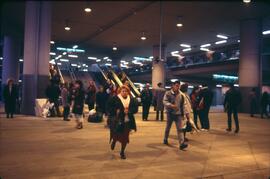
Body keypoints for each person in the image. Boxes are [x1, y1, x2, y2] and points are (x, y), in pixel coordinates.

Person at [107, 85, 138, 159]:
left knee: (125, 137)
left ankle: (122, 152)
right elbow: (108, 107)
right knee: (116, 134)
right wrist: (116, 111)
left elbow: (135, 109)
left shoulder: (132, 99)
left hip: (127, 121)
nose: (124, 92)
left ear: (128, 92)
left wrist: (129, 111)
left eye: (126, 91)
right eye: (123, 91)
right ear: (120, 91)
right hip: (117, 121)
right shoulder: (114, 98)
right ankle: (114, 141)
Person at [163, 81, 189, 150]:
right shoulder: (168, 93)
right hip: (170, 113)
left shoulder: (181, 94)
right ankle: (165, 139)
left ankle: (181, 144)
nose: (178, 87)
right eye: (176, 85)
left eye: (178, 86)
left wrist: (185, 114)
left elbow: (184, 105)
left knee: (180, 129)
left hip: (178, 114)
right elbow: (164, 101)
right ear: (173, 85)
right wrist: (171, 105)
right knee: (168, 128)